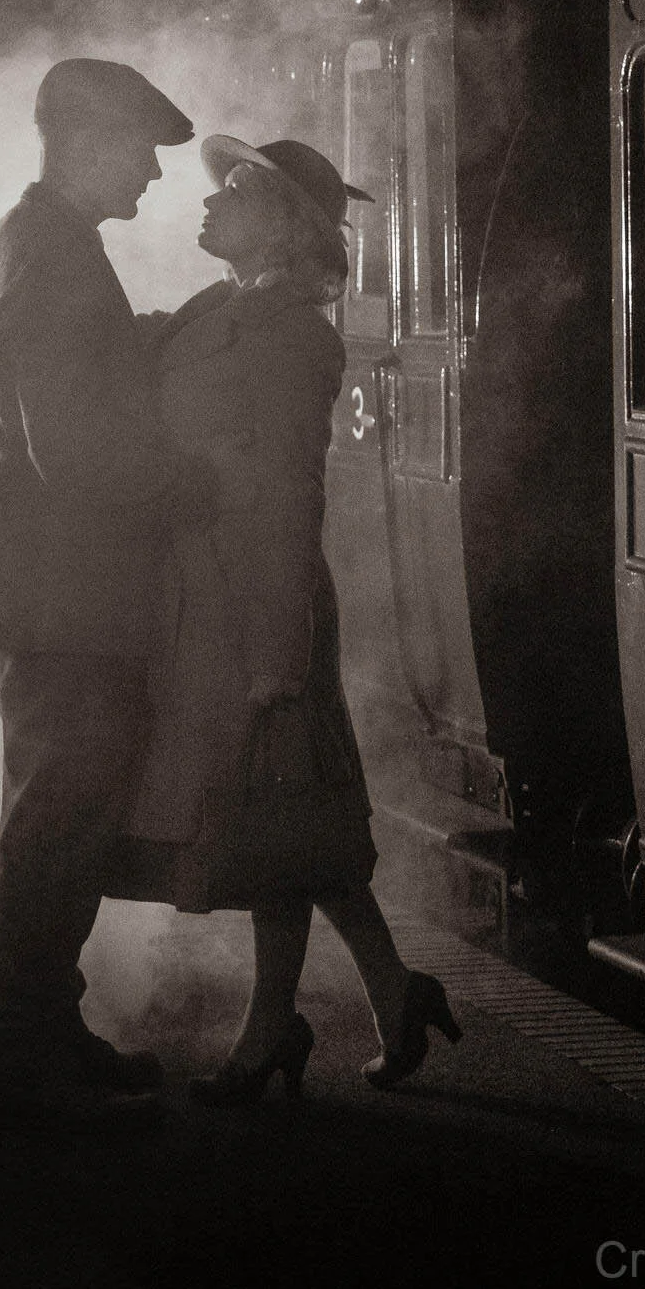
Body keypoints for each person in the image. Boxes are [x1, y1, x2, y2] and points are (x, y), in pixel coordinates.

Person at [106, 134, 461, 1101]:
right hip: (206, 598)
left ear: (284, 221)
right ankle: (391, 991)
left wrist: (277, 655)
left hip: (252, 605)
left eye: (234, 190)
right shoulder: (222, 309)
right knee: (290, 820)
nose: (210, 201)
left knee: (270, 815)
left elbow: (287, 501)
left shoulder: (293, 337)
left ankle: (271, 1036)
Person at [0, 58, 217, 1132]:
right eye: (140, 149)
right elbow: (82, 452)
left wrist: (148, 341)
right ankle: (25, 1057)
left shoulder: (38, 245)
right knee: (58, 824)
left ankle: (46, 1034)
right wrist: (191, 479)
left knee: (57, 819)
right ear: (88, 140)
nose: (152, 173)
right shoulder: (56, 261)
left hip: (45, 592)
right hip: (67, 598)